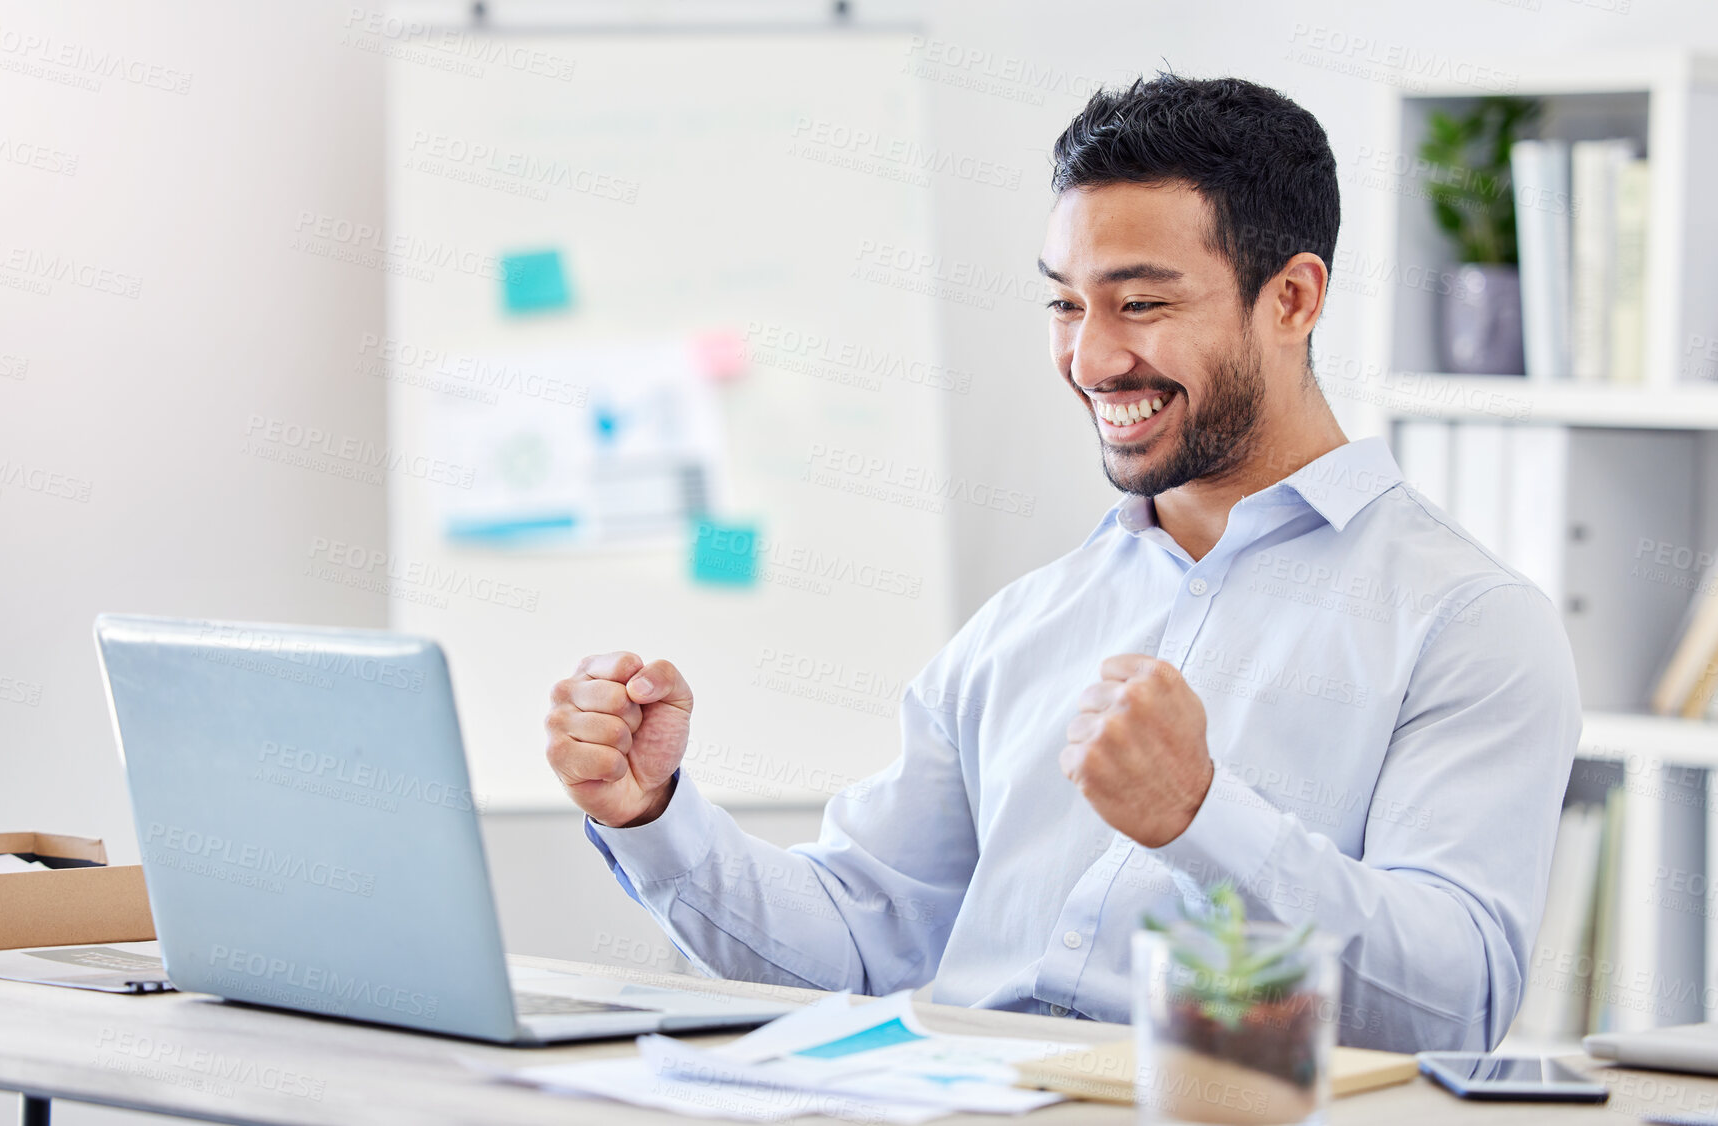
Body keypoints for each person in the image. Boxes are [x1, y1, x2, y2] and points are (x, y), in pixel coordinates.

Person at [543, 74, 1579, 1053]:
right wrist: (654, 813)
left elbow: (1453, 1005)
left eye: (1139, 304)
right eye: (1062, 304)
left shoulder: (1467, 622)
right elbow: (857, 943)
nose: (1087, 361)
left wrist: (1200, 817)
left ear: (1292, 300)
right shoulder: (1025, 622)